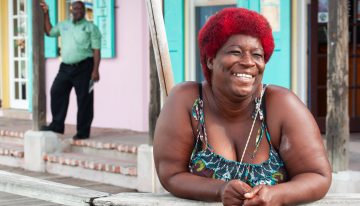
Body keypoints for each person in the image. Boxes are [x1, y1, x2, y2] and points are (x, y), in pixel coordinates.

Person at [154, 8, 332, 206]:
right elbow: (171, 174)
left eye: (257, 55)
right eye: (235, 52)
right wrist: (220, 190)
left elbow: (317, 176)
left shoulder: (282, 106)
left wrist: (277, 195)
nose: (248, 62)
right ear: (211, 60)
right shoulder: (187, 102)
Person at [39, 1, 101, 140]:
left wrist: (95, 70)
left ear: (84, 11)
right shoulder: (64, 25)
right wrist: (46, 13)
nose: (76, 11)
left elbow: (96, 50)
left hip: (84, 67)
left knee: (84, 100)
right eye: (74, 8)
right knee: (56, 91)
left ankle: (83, 132)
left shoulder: (91, 28)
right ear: (71, 11)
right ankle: (57, 125)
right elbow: (49, 31)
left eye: (79, 8)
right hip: (65, 67)